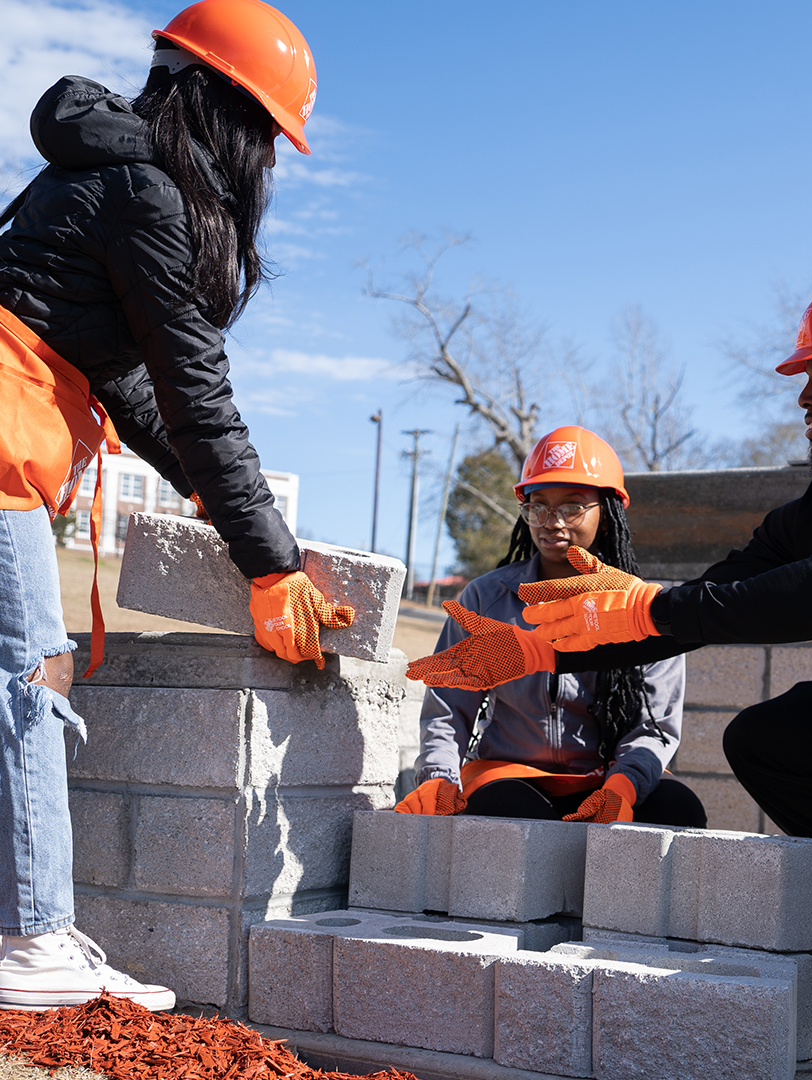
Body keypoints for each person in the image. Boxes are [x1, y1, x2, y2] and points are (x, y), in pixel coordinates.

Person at [408, 275, 812, 1073]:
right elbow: (713, 596)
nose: (806, 398)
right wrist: (550, 647)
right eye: (806, 380)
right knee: (767, 736)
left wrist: (653, 610)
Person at [0, 0, 353, 1011]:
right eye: (265, 143)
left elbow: (138, 385)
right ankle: (32, 938)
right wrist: (273, 563)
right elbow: (198, 393)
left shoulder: (100, 171)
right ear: (226, 114)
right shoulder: (145, 192)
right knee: (30, 675)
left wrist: (212, 492)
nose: (265, 171)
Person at [398, 426, 703, 827]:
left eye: (572, 507)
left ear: (608, 515)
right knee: (509, 816)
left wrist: (623, 787)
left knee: (677, 810)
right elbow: (447, 710)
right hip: (509, 775)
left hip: (609, 777)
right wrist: (438, 775)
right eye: (538, 506)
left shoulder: (641, 607)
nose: (550, 522)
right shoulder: (484, 600)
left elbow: (655, 725)